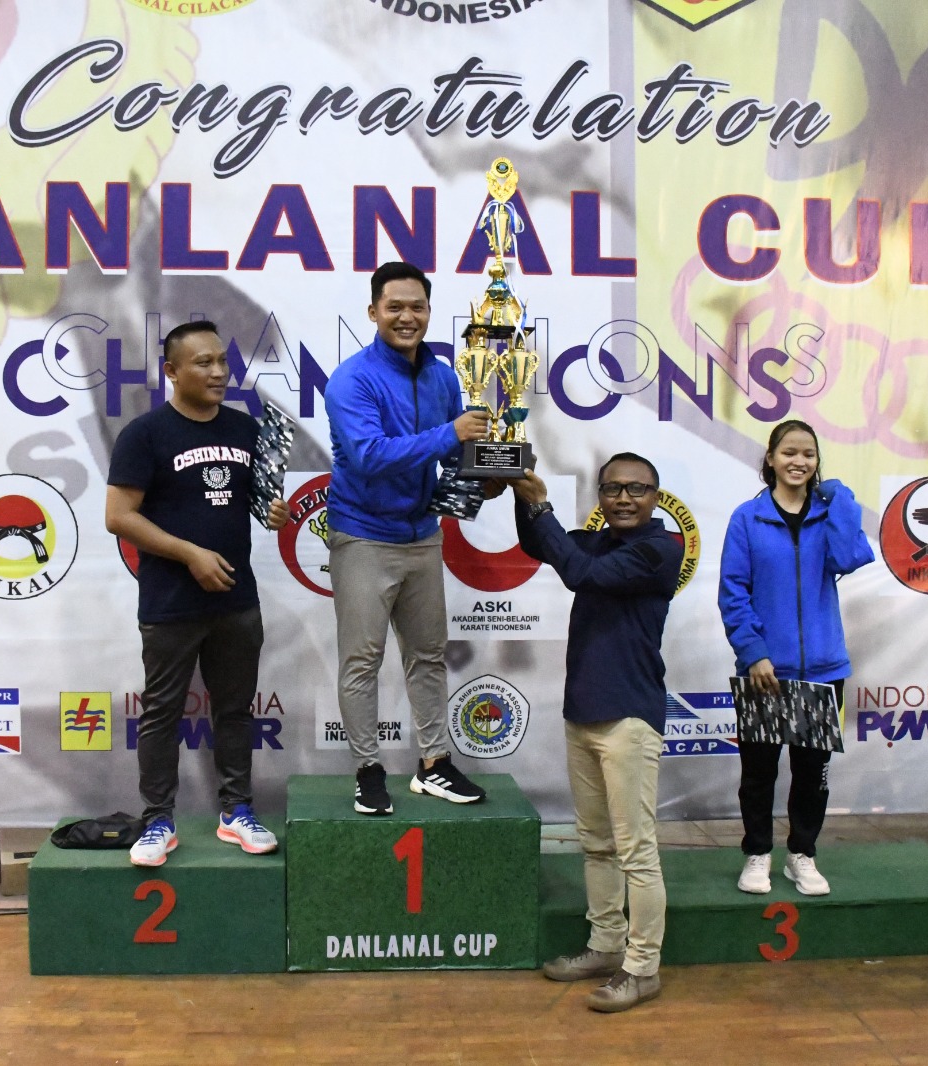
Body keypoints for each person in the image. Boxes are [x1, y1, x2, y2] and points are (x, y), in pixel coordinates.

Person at [105, 320, 289, 866]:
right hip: (171, 603)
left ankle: (236, 812)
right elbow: (119, 516)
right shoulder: (145, 434)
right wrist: (189, 554)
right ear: (171, 371)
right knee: (162, 712)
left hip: (236, 599)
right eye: (203, 363)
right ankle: (157, 820)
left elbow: (254, 503)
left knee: (235, 711)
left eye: (222, 361)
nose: (217, 372)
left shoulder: (246, 429)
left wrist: (273, 511)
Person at [513, 454, 682, 1013]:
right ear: (601, 496)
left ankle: (643, 968)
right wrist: (516, 489)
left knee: (636, 851)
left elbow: (580, 574)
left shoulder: (660, 548)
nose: (624, 498)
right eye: (612, 489)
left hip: (629, 717)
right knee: (597, 843)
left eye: (636, 488)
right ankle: (607, 945)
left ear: (655, 496)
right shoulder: (599, 541)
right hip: (583, 712)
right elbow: (540, 545)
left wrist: (540, 504)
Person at [323, 261, 494, 815]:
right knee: (361, 661)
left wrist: (485, 474)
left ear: (428, 311)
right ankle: (367, 770)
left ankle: (434, 764)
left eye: (416, 306)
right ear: (373, 311)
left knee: (428, 656)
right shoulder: (351, 380)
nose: (406, 316)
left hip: (423, 535)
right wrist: (451, 434)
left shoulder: (443, 376)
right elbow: (368, 456)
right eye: (394, 306)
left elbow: (454, 453)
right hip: (363, 537)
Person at [717, 419, 873, 897]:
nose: (798, 461)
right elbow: (733, 592)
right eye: (789, 452)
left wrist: (841, 497)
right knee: (758, 775)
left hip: (824, 670)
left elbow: (849, 557)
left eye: (808, 454)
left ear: (817, 462)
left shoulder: (829, 514)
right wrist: (754, 653)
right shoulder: (747, 518)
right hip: (765, 672)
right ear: (770, 458)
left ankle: (802, 855)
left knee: (812, 775)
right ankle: (758, 854)